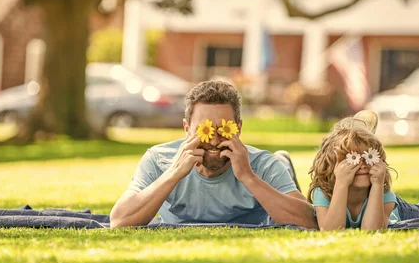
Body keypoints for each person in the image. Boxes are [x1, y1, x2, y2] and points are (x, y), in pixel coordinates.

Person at [110, 80, 317, 229]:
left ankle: (284, 162)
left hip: (263, 171)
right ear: (186, 128)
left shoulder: (263, 165)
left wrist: (248, 177)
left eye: (223, 129)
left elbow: (310, 222)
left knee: (278, 168)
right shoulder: (158, 159)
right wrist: (173, 173)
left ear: (239, 128)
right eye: (204, 129)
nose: (215, 140)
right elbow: (119, 221)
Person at [307, 112, 419, 231]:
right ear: (333, 165)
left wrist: (378, 183)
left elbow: (372, 230)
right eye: (353, 158)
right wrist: (342, 183)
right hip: (338, 186)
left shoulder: (380, 188)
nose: (362, 165)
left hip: (397, 210)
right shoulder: (326, 191)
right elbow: (331, 231)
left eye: (367, 157)